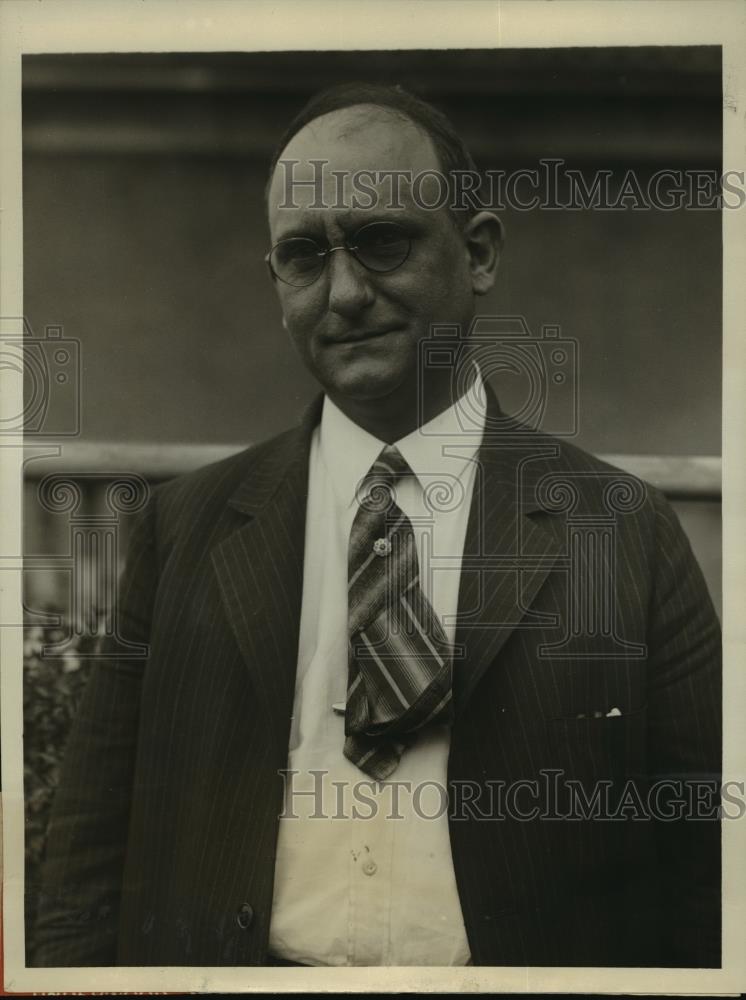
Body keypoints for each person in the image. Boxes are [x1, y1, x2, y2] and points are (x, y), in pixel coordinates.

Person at [34, 83, 721, 969]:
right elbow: (89, 860)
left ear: (477, 253)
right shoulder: (185, 529)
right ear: (276, 282)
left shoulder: (621, 530)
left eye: (382, 241)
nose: (346, 292)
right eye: (303, 257)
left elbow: (713, 875)